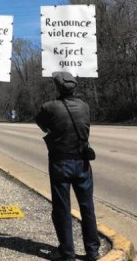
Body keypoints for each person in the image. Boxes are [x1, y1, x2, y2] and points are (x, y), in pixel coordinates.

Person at [35, 72, 100, 261]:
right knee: (87, 207)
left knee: (62, 209)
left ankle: (67, 252)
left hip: (60, 163)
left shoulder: (49, 107)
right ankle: (92, 251)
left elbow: (41, 123)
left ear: (57, 87)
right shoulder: (84, 106)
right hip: (82, 163)